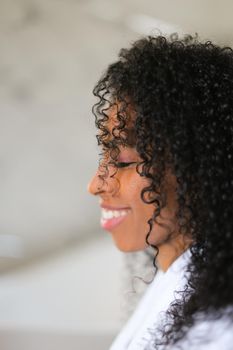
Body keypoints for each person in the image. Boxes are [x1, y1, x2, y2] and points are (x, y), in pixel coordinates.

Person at [87, 34, 233, 350]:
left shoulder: (219, 329)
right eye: (106, 155)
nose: (96, 185)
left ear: (199, 167)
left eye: (123, 160)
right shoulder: (178, 277)